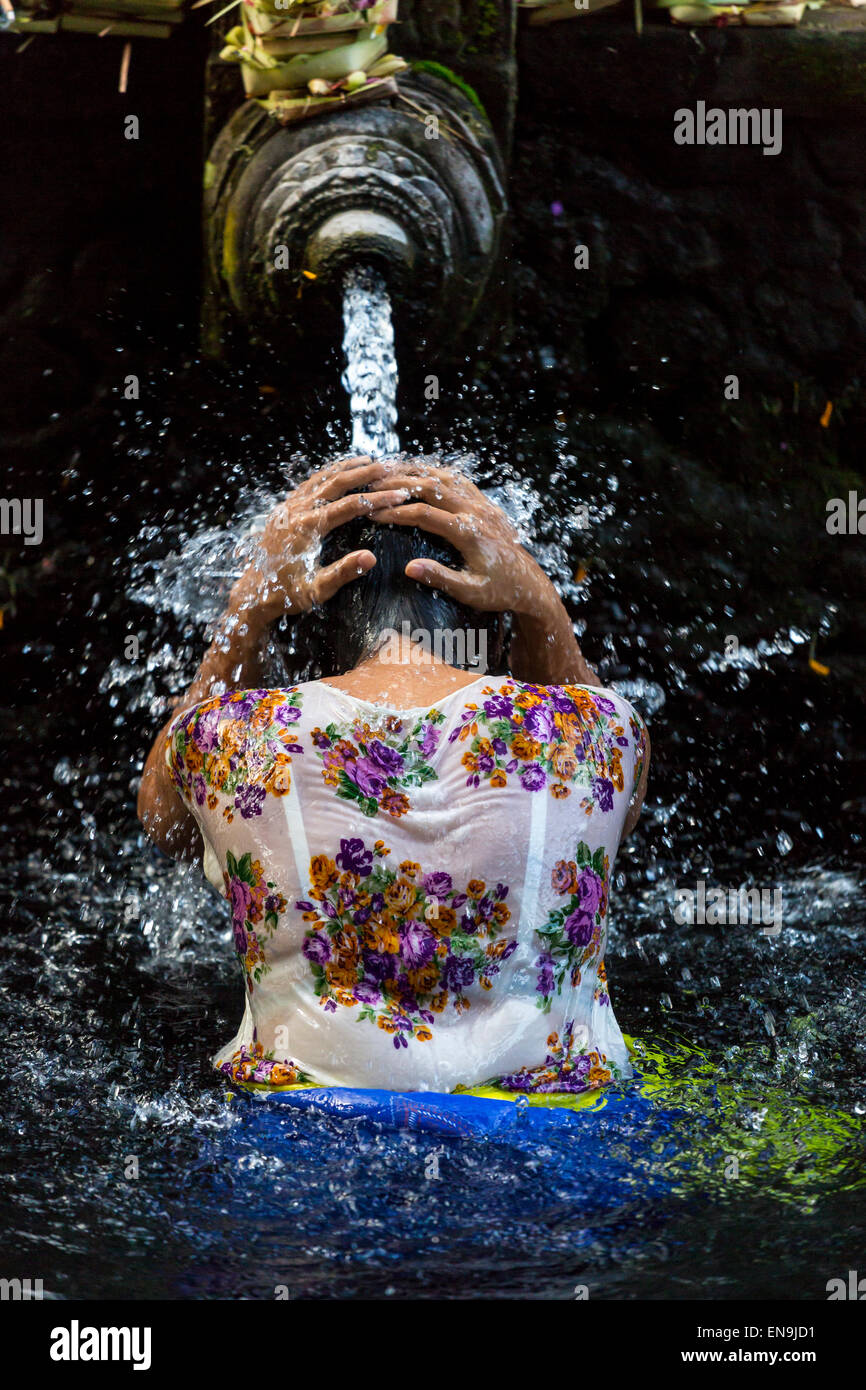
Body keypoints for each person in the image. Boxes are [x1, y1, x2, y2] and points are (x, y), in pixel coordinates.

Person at [138, 455, 650, 1095]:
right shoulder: (599, 728)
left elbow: (163, 821)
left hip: (300, 1124)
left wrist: (246, 611)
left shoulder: (232, 735)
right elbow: (619, 811)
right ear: (489, 610)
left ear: (312, 619)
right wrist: (542, 605)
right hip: (555, 1119)